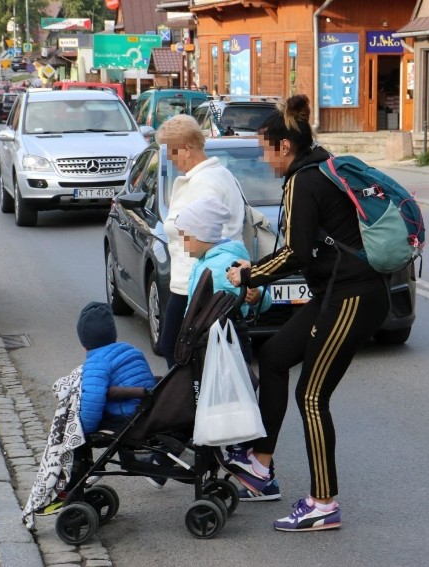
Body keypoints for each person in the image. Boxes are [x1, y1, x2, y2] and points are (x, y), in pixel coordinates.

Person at [218, 95, 391, 531]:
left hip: (351, 298)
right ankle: (260, 466)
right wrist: (257, 273)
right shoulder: (319, 167)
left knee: (312, 397)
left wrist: (251, 275)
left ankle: (323, 503)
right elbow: (305, 250)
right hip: (339, 292)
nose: (263, 157)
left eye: (264, 148)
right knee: (275, 355)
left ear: (284, 147)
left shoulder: (303, 181)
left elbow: (294, 252)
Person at [22, 302, 157, 520]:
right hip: (142, 412)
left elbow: (92, 401)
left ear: (85, 344)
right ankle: (79, 481)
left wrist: (82, 429)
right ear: (112, 334)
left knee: (75, 440)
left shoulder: (97, 363)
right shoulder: (130, 350)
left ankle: (70, 486)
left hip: (124, 418)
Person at [156, 114, 244, 368]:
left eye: (172, 151)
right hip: (197, 279)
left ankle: (190, 404)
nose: (170, 159)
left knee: (177, 350)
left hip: (197, 281)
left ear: (186, 149)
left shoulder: (205, 182)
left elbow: (207, 232)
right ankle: (192, 401)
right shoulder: (218, 175)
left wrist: (175, 227)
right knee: (182, 349)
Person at [176, 196, 272, 361]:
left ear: (200, 234)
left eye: (185, 237)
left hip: (226, 342)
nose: (182, 243)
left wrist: (255, 297)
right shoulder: (203, 260)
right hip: (207, 338)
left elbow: (263, 298)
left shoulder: (224, 265)